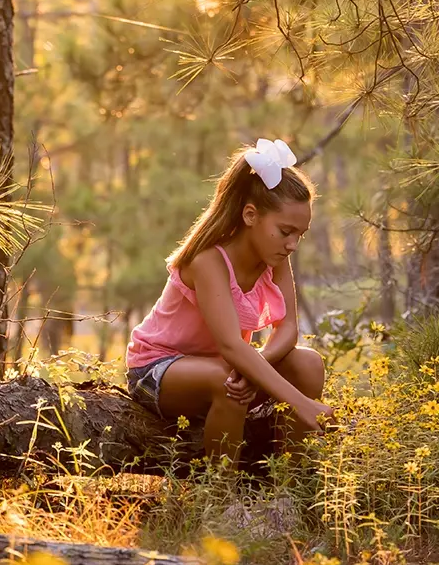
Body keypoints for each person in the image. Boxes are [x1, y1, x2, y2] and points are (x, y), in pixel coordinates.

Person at [125, 138, 334, 462]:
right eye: (285, 231)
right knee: (225, 380)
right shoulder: (208, 260)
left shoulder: (275, 256)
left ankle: (293, 488)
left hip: (224, 366)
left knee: (308, 364)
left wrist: (256, 368)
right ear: (250, 215)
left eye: (300, 235)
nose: (292, 244)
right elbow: (231, 347)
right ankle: (221, 500)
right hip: (158, 370)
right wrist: (300, 403)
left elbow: (289, 327)